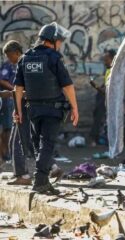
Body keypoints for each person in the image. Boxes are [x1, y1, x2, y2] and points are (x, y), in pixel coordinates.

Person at [14, 22, 79, 194]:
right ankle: (41, 180)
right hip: (52, 110)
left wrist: (19, 110)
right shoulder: (53, 58)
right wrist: (75, 108)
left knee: (38, 145)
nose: (61, 45)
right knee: (47, 145)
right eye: (60, 41)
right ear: (53, 40)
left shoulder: (25, 58)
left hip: (33, 110)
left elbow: (18, 88)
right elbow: (68, 86)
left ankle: (41, 178)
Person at [89, 49, 116, 147]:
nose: (105, 62)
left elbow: (106, 91)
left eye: (106, 60)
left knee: (100, 117)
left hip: (109, 99)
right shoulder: (109, 70)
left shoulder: (114, 72)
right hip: (104, 98)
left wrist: (95, 86)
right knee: (99, 116)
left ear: (113, 59)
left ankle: (95, 138)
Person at [0, 42, 18, 161]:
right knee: (7, 128)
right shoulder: (7, 66)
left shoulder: (17, 65)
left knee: (9, 127)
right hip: (7, 100)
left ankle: (6, 152)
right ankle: (4, 152)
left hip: (12, 99)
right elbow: (2, 80)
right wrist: (16, 90)